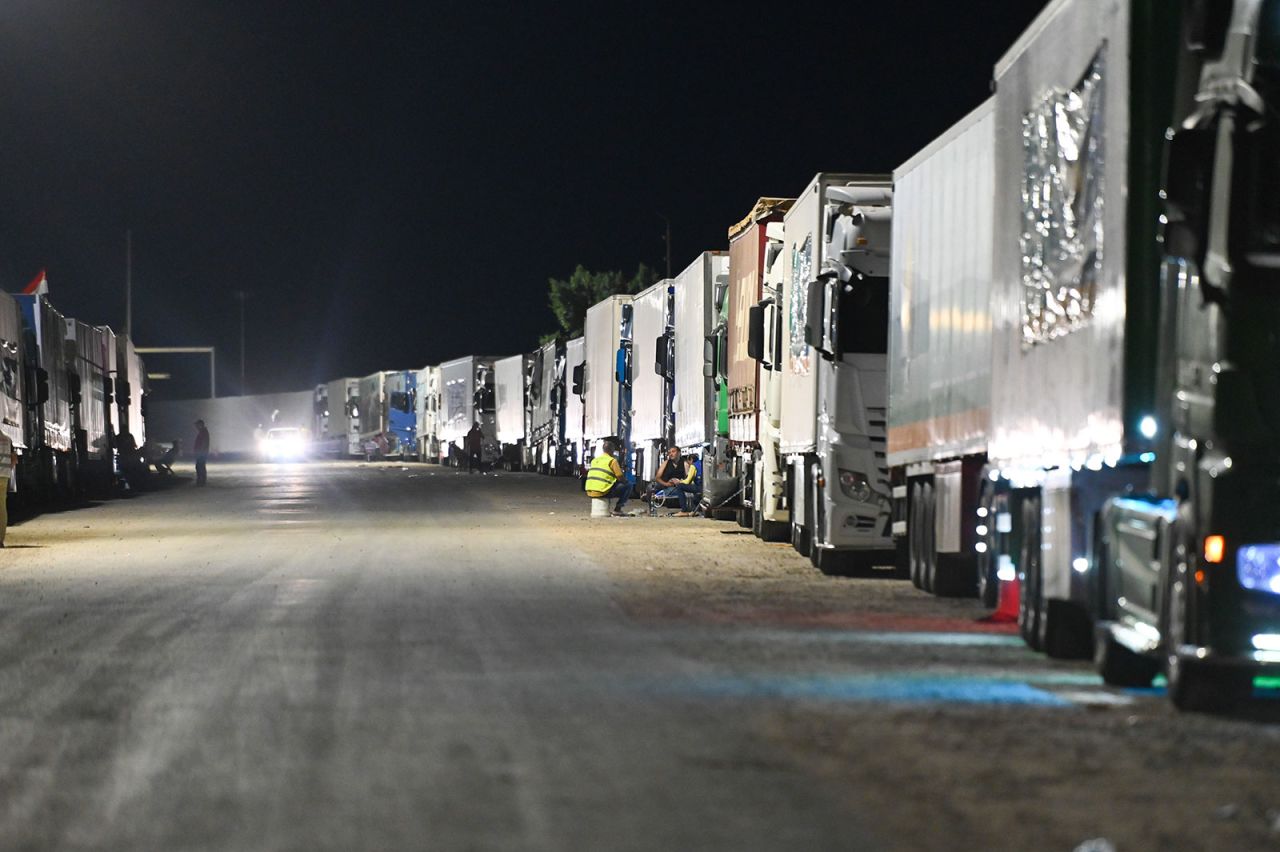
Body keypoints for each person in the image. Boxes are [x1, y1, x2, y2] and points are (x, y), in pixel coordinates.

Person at [584, 439, 631, 517]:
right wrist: (625, 481)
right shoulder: (612, 461)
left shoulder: (595, 460)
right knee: (629, 485)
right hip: (602, 491)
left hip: (590, 491)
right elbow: (619, 476)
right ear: (612, 450)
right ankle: (618, 509)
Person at [654, 446, 699, 513]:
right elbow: (657, 477)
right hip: (665, 485)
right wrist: (666, 484)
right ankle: (652, 508)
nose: (671, 454)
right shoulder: (666, 463)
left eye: (673, 451)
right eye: (669, 452)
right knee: (651, 488)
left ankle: (688, 509)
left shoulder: (685, 464)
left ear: (679, 453)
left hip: (676, 487)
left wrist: (679, 481)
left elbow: (688, 479)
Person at [0, 432, 13, 546]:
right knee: (2, 508)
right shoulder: (8, 440)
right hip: (4, 476)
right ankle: (0, 540)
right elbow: (14, 459)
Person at [193, 419, 210, 486]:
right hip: (201, 452)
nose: (196, 427)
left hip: (201, 453)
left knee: (200, 466)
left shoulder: (204, 432)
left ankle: (201, 481)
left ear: (201, 425)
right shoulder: (202, 432)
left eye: (197, 425)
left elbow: (204, 443)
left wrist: (200, 451)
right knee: (200, 466)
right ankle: (201, 480)